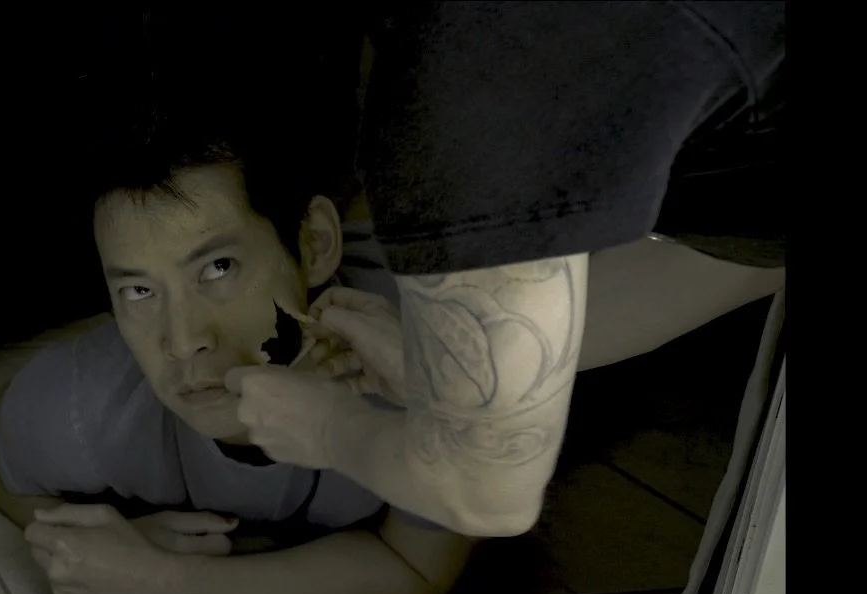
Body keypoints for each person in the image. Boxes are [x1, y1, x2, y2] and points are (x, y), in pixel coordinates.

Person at [224, 1, 785, 538]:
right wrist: (461, 367)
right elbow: (750, 247)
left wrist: (332, 430)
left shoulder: (472, 76)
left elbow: (486, 494)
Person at [0, 93, 478, 594]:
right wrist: (91, 543)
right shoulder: (94, 397)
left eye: (219, 267)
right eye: (139, 291)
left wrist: (171, 585)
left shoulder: (416, 362)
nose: (183, 342)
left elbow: (417, 565)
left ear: (314, 244)